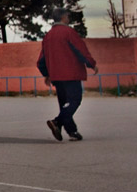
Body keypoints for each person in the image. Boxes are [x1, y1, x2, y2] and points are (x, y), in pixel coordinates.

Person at [37, 7, 97, 142]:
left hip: (56, 76)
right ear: (63, 17)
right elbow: (80, 50)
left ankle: (72, 131)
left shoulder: (48, 36)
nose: (69, 19)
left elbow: (41, 59)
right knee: (74, 100)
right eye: (68, 16)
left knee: (64, 103)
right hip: (71, 74)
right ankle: (57, 122)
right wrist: (91, 64)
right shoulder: (69, 32)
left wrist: (46, 74)